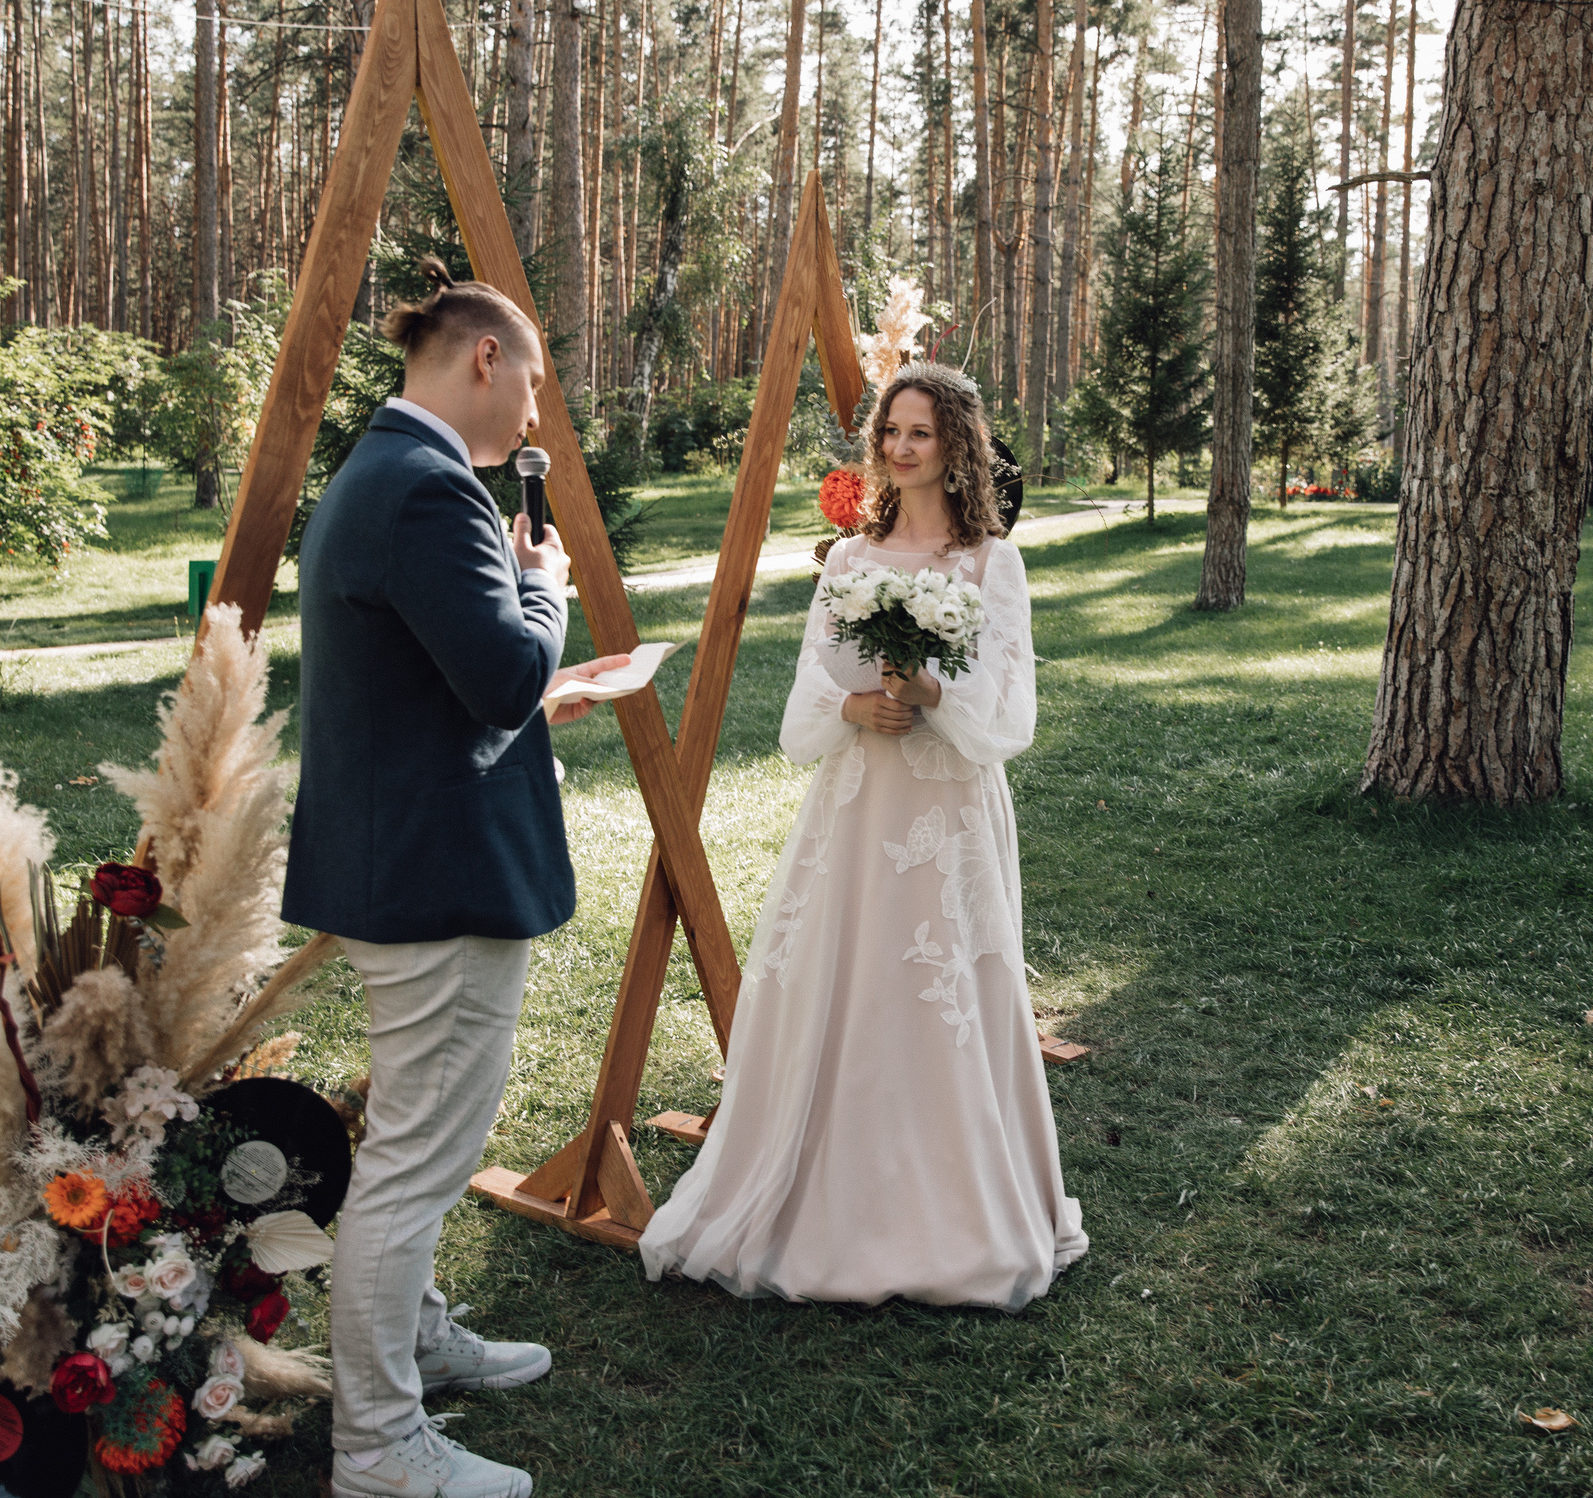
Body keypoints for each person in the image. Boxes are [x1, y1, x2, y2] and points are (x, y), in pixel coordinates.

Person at [637, 361, 1087, 1309]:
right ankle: (820, 1195)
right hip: (856, 805)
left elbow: (1011, 716)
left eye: (919, 432)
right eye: (890, 431)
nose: (899, 447)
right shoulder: (848, 561)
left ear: (954, 444)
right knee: (849, 980)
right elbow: (805, 700)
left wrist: (934, 695)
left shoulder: (989, 564)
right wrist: (853, 702)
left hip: (946, 811)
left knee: (944, 984)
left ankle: (954, 1209)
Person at [283, 262, 625, 1498]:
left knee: (418, 1140)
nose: (536, 418)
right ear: (485, 360)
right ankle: (377, 1446)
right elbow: (497, 675)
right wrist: (546, 597)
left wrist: (524, 648)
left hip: (408, 856)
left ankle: (417, 1339)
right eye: (533, 385)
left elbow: (439, 683)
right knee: (421, 1157)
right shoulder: (427, 490)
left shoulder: (386, 472)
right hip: (432, 876)